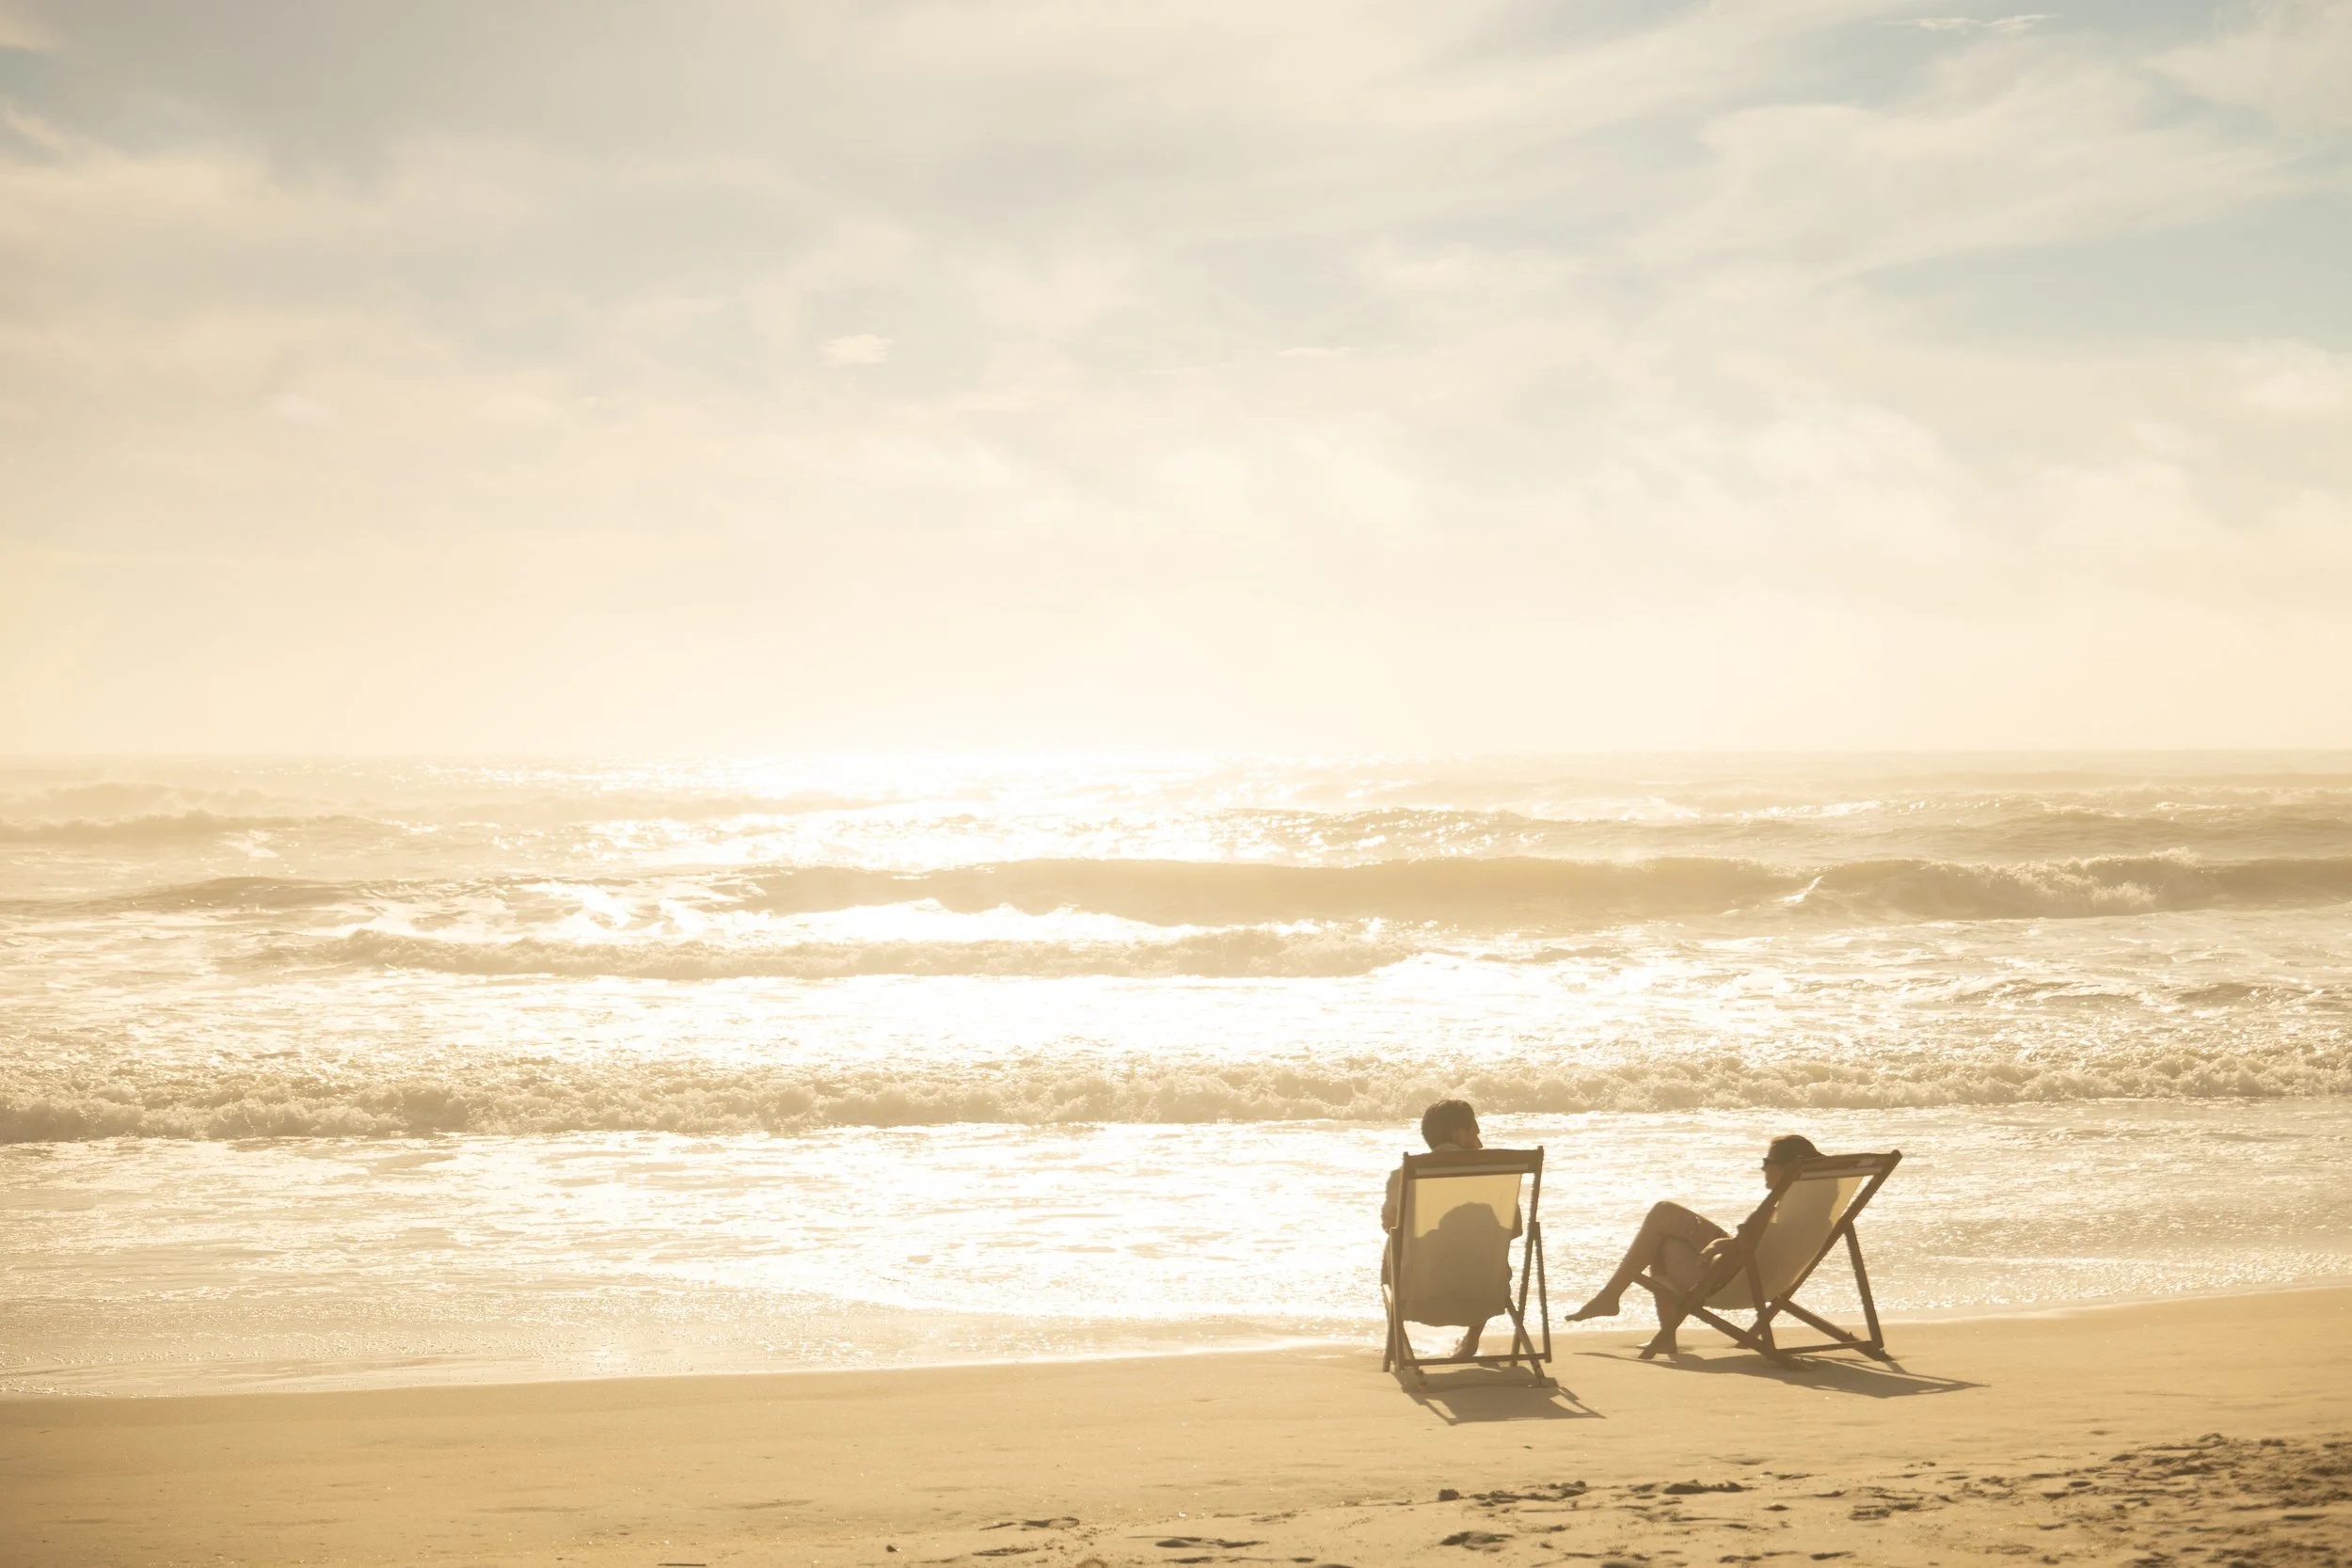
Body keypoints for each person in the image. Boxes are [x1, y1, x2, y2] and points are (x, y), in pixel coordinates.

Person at [1564, 1132, 1824, 1356]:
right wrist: (1723, 1243)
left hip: (1738, 1280)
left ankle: (1611, 1298)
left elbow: (1746, 1242)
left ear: (1789, 1168)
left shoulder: (1785, 1202)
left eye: (1768, 1162)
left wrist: (1721, 1246)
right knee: (1665, 1239)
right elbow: (1757, 1242)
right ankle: (1654, 1329)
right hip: (1762, 1276)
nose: (1763, 1168)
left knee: (1663, 1213)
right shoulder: (1813, 1204)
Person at [1382, 1099, 1516, 1361]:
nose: (1479, 1143)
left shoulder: (1402, 1177)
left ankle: (1396, 1343)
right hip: (1484, 1294)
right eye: (1476, 1133)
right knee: (1487, 1248)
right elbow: (1516, 1229)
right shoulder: (1494, 1175)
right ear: (1459, 1134)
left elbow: (1388, 1226)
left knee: (1395, 1242)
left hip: (1418, 1294)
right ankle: (1471, 1341)